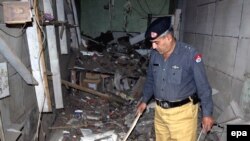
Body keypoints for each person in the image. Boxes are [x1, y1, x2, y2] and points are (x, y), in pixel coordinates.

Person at [136, 17, 214, 141]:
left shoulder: (189, 55)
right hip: (160, 113)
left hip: (183, 115)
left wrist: (207, 114)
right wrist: (144, 100)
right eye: (152, 42)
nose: (153, 46)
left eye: (156, 42)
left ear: (168, 38)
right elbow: (151, 79)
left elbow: (203, 86)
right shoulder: (155, 55)